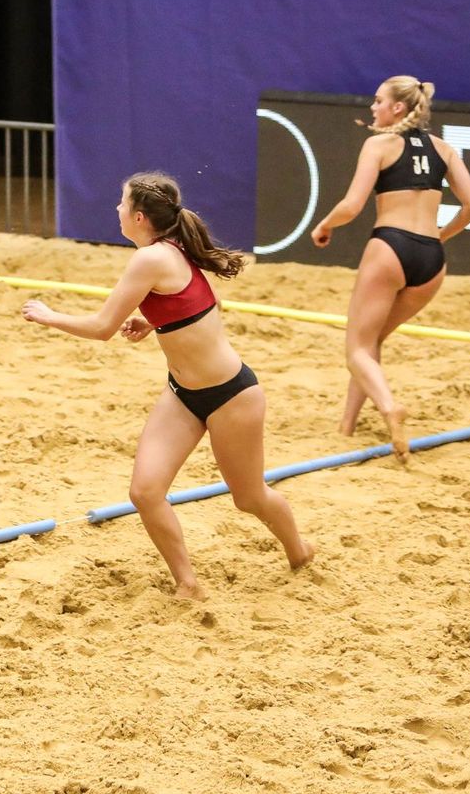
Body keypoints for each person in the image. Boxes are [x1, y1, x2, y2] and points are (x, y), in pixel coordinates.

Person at [21, 172, 313, 600]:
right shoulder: (171, 249)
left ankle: (299, 550)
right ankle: (188, 583)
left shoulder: (151, 258)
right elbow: (198, 303)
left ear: (139, 217)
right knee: (144, 491)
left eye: (121, 203)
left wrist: (49, 316)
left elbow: (103, 328)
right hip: (183, 393)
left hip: (231, 394)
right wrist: (157, 319)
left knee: (249, 498)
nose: (116, 210)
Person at [310, 76, 470, 456]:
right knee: (372, 342)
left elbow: (352, 206)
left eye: (378, 101)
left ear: (397, 108)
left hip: (391, 245)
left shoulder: (379, 145)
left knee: (356, 346)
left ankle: (389, 406)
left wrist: (323, 225)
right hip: (431, 260)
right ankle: (347, 427)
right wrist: (440, 236)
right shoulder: (443, 148)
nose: (373, 108)